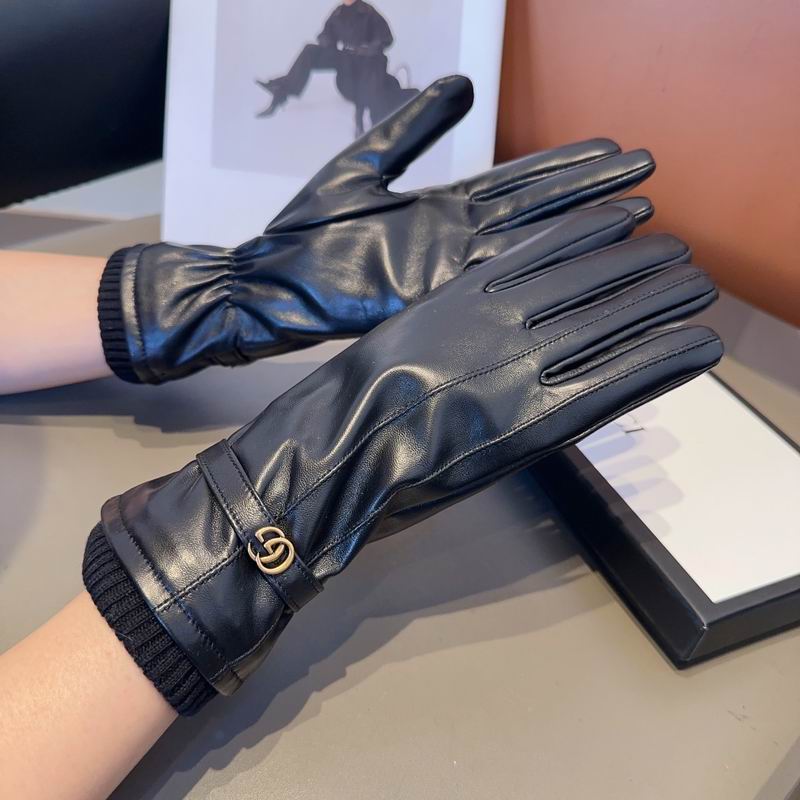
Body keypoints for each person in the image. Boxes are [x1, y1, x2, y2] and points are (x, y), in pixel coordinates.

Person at [256, 0, 414, 135]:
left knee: (375, 87)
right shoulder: (338, 13)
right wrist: (325, 40)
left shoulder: (367, 11)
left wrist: (370, 48)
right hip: (345, 66)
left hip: (367, 64)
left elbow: (386, 38)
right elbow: (326, 34)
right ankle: (283, 89)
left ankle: (375, 126)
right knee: (310, 50)